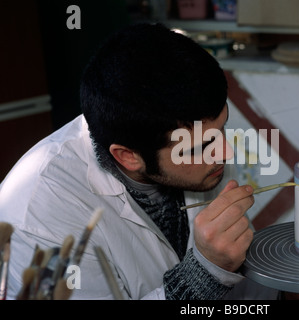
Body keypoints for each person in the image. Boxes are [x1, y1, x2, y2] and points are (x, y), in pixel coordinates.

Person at [0, 23, 277, 300]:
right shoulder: (40, 216)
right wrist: (206, 274)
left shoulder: (197, 155)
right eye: (201, 147)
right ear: (128, 156)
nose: (225, 151)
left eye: (222, 128)